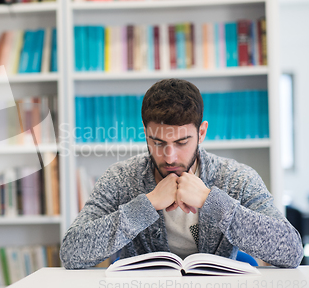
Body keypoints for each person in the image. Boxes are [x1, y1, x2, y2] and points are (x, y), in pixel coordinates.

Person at [60, 78, 304, 269]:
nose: (169, 157)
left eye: (181, 142)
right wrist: (147, 204)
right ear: (145, 133)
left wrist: (212, 202)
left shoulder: (236, 178)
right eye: (157, 142)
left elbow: (291, 251)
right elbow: (71, 253)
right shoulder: (120, 179)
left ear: (201, 133)